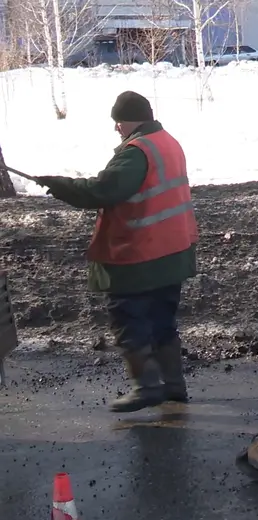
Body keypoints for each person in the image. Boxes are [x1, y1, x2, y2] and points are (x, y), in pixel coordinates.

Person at [33, 91, 198, 413]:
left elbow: (103, 190)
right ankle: (174, 386)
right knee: (163, 320)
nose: (116, 128)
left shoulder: (137, 152)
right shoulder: (167, 141)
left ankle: (147, 386)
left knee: (128, 318)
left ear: (129, 120)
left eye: (118, 122)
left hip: (138, 256)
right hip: (173, 251)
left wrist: (61, 185)